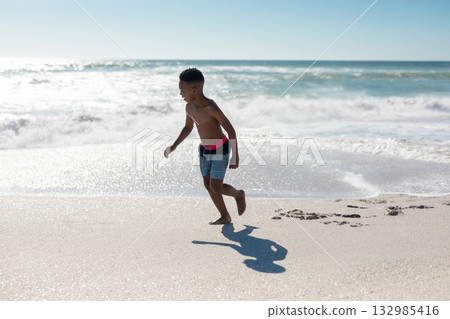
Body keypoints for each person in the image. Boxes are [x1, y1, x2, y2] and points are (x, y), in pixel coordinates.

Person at [164, 68, 246, 225]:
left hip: (220, 148)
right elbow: (188, 128)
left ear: (194, 90)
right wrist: (174, 146)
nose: (180, 93)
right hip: (204, 150)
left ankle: (238, 194)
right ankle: (225, 216)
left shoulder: (211, 108)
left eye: (182, 90)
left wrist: (235, 156)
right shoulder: (189, 107)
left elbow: (231, 131)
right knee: (208, 184)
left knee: (216, 186)